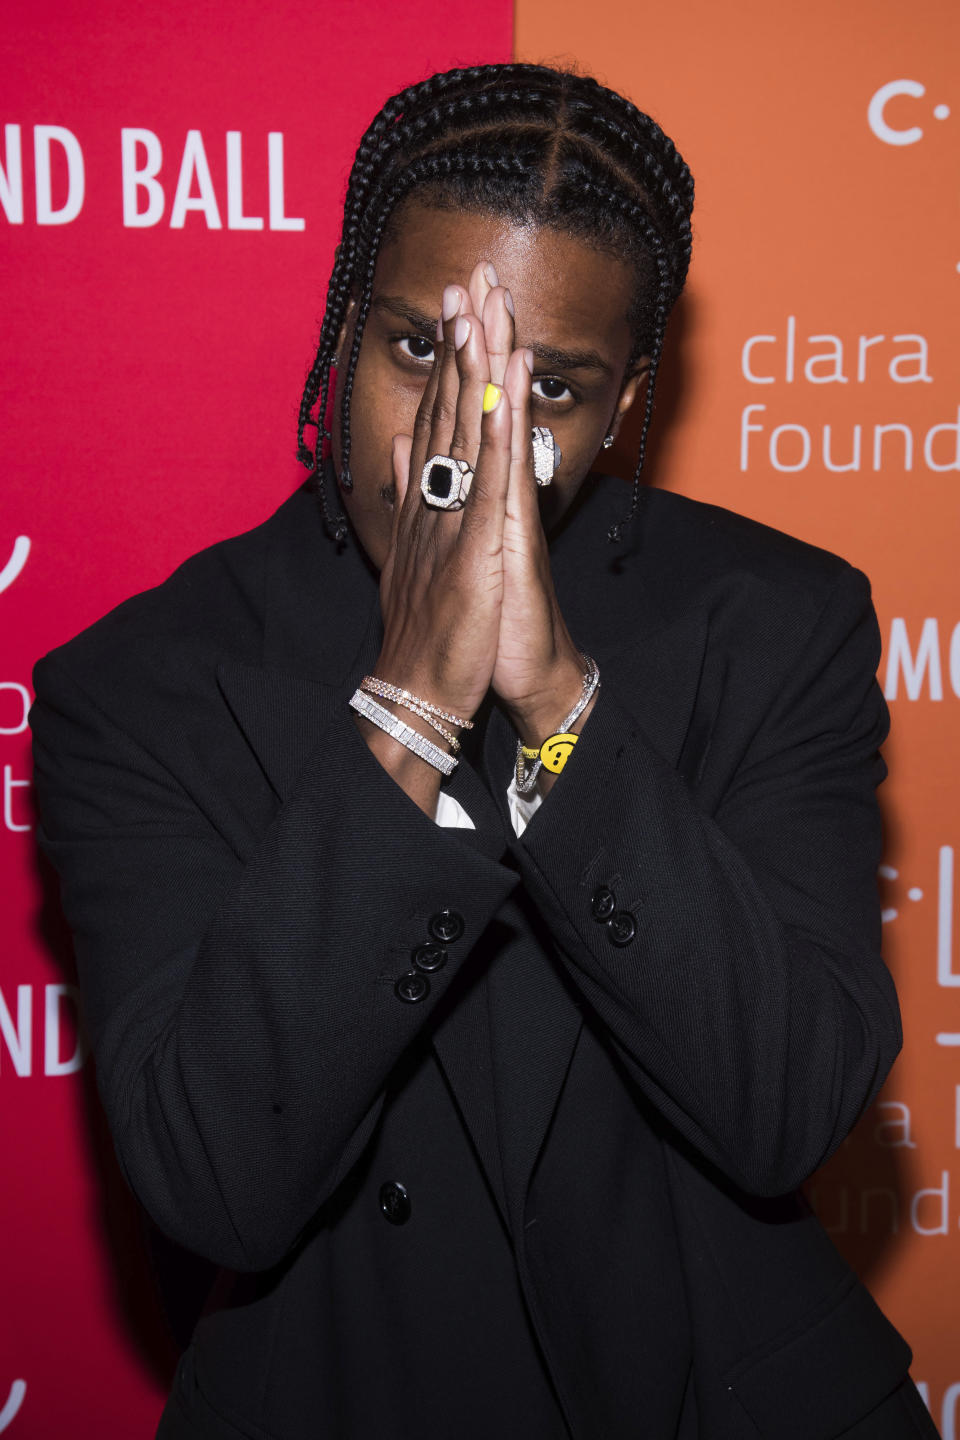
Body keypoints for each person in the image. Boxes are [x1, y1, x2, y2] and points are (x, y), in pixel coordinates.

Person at [30, 63, 938, 1440]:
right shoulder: (145, 685)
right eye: (420, 354)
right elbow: (215, 1176)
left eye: (550, 387)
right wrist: (411, 701)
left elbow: (788, 1105)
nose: (467, 447)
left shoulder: (776, 624)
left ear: (631, 396)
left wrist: (560, 698)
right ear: (345, 325)